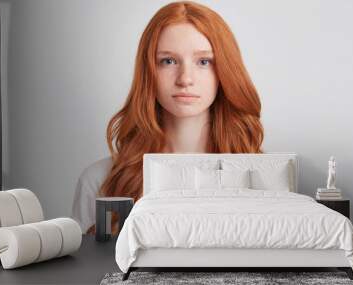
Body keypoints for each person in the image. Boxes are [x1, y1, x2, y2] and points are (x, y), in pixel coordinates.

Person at [72, 1, 264, 234]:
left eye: (204, 62)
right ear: (149, 72)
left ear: (225, 71)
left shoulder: (261, 176)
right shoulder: (99, 179)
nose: (185, 79)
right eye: (168, 61)